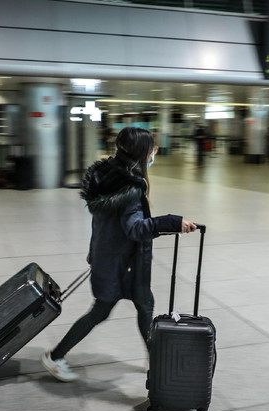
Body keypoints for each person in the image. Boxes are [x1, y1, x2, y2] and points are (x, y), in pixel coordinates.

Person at [41, 127, 197, 382]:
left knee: (145, 305)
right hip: (120, 263)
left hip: (117, 259)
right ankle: (55, 356)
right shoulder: (131, 188)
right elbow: (135, 229)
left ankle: (154, 359)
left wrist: (94, 251)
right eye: (152, 148)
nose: (154, 152)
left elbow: (101, 223)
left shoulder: (107, 175)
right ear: (140, 152)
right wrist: (171, 222)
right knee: (101, 311)